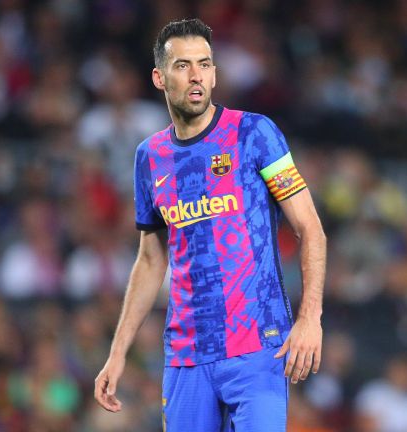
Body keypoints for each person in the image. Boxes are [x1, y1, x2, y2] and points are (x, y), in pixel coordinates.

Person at [94, 18, 326, 432]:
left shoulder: (254, 134)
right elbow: (150, 259)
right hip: (185, 356)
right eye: (182, 65)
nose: (196, 75)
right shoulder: (150, 157)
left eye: (204, 64)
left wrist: (310, 318)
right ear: (159, 77)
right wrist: (118, 352)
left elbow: (309, 227)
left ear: (215, 74)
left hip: (259, 347)